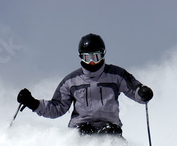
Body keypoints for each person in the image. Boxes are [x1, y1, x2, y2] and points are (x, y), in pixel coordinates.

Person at [17, 33, 153, 136]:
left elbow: (134, 90)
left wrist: (143, 93)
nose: (92, 62)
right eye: (87, 58)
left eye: (96, 57)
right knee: (84, 135)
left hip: (109, 129)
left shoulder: (116, 74)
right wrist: (32, 103)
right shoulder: (71, 81)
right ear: (81, 57)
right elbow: (57, 108)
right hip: (80, 130)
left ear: (103, 55)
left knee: (111, 137)